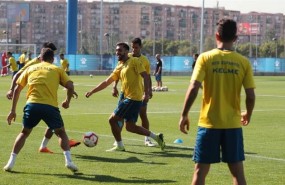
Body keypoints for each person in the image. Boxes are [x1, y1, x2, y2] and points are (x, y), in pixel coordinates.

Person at [179, 18, 256, 185]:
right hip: (233, 125)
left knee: (200, 172)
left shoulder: (205, 58)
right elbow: (251, 96)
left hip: (208, 124)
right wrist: (248, 114)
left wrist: (184, 114)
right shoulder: (243, 62)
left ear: (216, 35)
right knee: (238, 173)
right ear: (235, 38)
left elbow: (193, 88)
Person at [4, 48, 78, 172]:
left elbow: (17, 89)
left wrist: (13, 110)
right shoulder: (57, 69)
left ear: (41, 58)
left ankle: (11, 162)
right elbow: (70, 86)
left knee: (24, 133)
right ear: (52, 59)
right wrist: (67, 101)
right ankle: (69, 161)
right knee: (61, 132)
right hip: (50, 107)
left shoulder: (31, 68)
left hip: (32, 105)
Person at [85, 42, 165, 152]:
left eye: (120, 50)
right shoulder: (120, 65)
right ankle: (156, 137)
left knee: (112, 120)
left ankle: (119, 145)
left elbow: (146, 76)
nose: (117, 53)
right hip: (129, 98)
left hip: (133, 98)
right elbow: (107, 81)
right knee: (130, 127)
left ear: (127, 52)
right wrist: (92, 91)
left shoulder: (134, 61)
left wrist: (146, 93)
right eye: (116, 50)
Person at [112, 37, 155, 147]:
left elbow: (147, 76)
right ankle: (118, 139)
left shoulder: (145, 60)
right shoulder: (127, 56)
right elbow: (118, 71)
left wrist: (149, 90)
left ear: (140, 47)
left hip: (139, 92)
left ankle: (147, 139)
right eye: (132, 48)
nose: (134, 50)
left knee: (143, 114)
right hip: (124, 92)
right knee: (119, 116)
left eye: (136, 48)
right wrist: (114, 86)